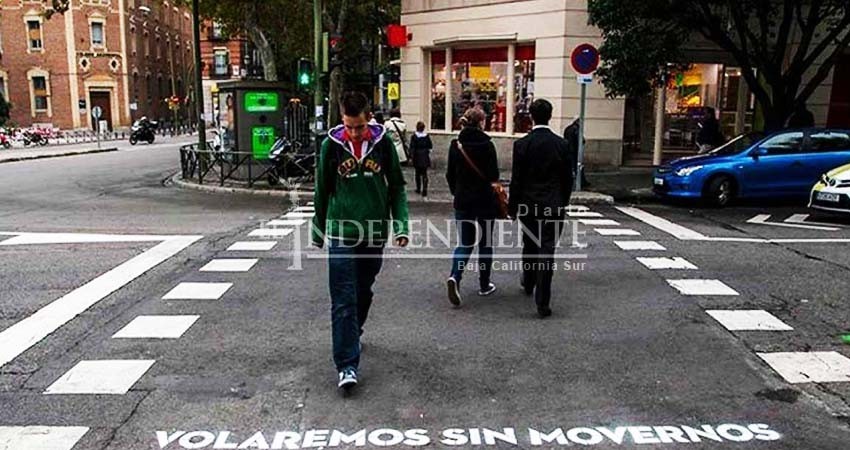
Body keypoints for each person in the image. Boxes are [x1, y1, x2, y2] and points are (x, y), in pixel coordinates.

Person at [311, 92, 410, 391]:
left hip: (373, 231)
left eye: (359, 126)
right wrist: (318, 229)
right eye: (348, 126)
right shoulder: (331, 145)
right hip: (342, 231)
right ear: (342, 119)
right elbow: (322, 188)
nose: (353, 132)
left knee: (363, 291)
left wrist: (401, 225)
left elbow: (397, 187)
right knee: (343, 299)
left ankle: (355, 332)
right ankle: (347, 365)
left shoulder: (383, 145)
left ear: (369, 117)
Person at [508, 99, 573, 318]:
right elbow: (567, 178)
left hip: (528, 204)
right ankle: (543, 302)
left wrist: (512, 207)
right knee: (547, 250)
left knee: (529, 244)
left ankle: (528, 281)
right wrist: (563, 201)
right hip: (553, 204)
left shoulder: (522, 144)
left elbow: (516, 179)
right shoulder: (562, 144)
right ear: (550, 116)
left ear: (531, 116)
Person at [446, 108, 499, 307]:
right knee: (485, 242)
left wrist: (456, 192)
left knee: (465, 243)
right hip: (484, 200)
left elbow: (450, 174)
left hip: (463, 200)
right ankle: (484, 285)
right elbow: (493, 175)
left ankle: (455, 276)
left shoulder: (455, 145)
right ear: (480, 123)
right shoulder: (487, 144)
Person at [563, 117, 590, 188]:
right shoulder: (576, 129)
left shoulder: (568, 128)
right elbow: (581, 140)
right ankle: (581, 182)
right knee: (578, 166)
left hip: (569, 150)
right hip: (575, 150)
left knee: (571, 166)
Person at [410, 121, 433, 198]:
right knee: (424, 173)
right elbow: (430, 146)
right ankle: (425, 189)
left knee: (417, 173)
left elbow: (412, 147)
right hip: (425, 156)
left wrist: (411, 156)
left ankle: (418, 188)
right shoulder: (426, 136)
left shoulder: (414, 136)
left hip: (417, 156)